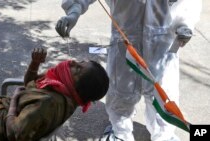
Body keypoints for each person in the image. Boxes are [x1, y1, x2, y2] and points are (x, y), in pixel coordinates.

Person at [55, 0, 202, 141]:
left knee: (162, 94)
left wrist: (185, 23)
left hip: (162, 46)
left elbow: (187, 2)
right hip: (124, 43)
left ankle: (164, 135)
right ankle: (120, 133)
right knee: (121, 92)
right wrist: (74, 11)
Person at [0, 48, 109, 141]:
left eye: (77, 69)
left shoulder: (48, 103)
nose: (71, 63)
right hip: (0, 113)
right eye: (79, 62)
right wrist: (34, 64)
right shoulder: (60, 86)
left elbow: (14, 134)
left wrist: (14, 102)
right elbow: (30, 84)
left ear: (78, 87)